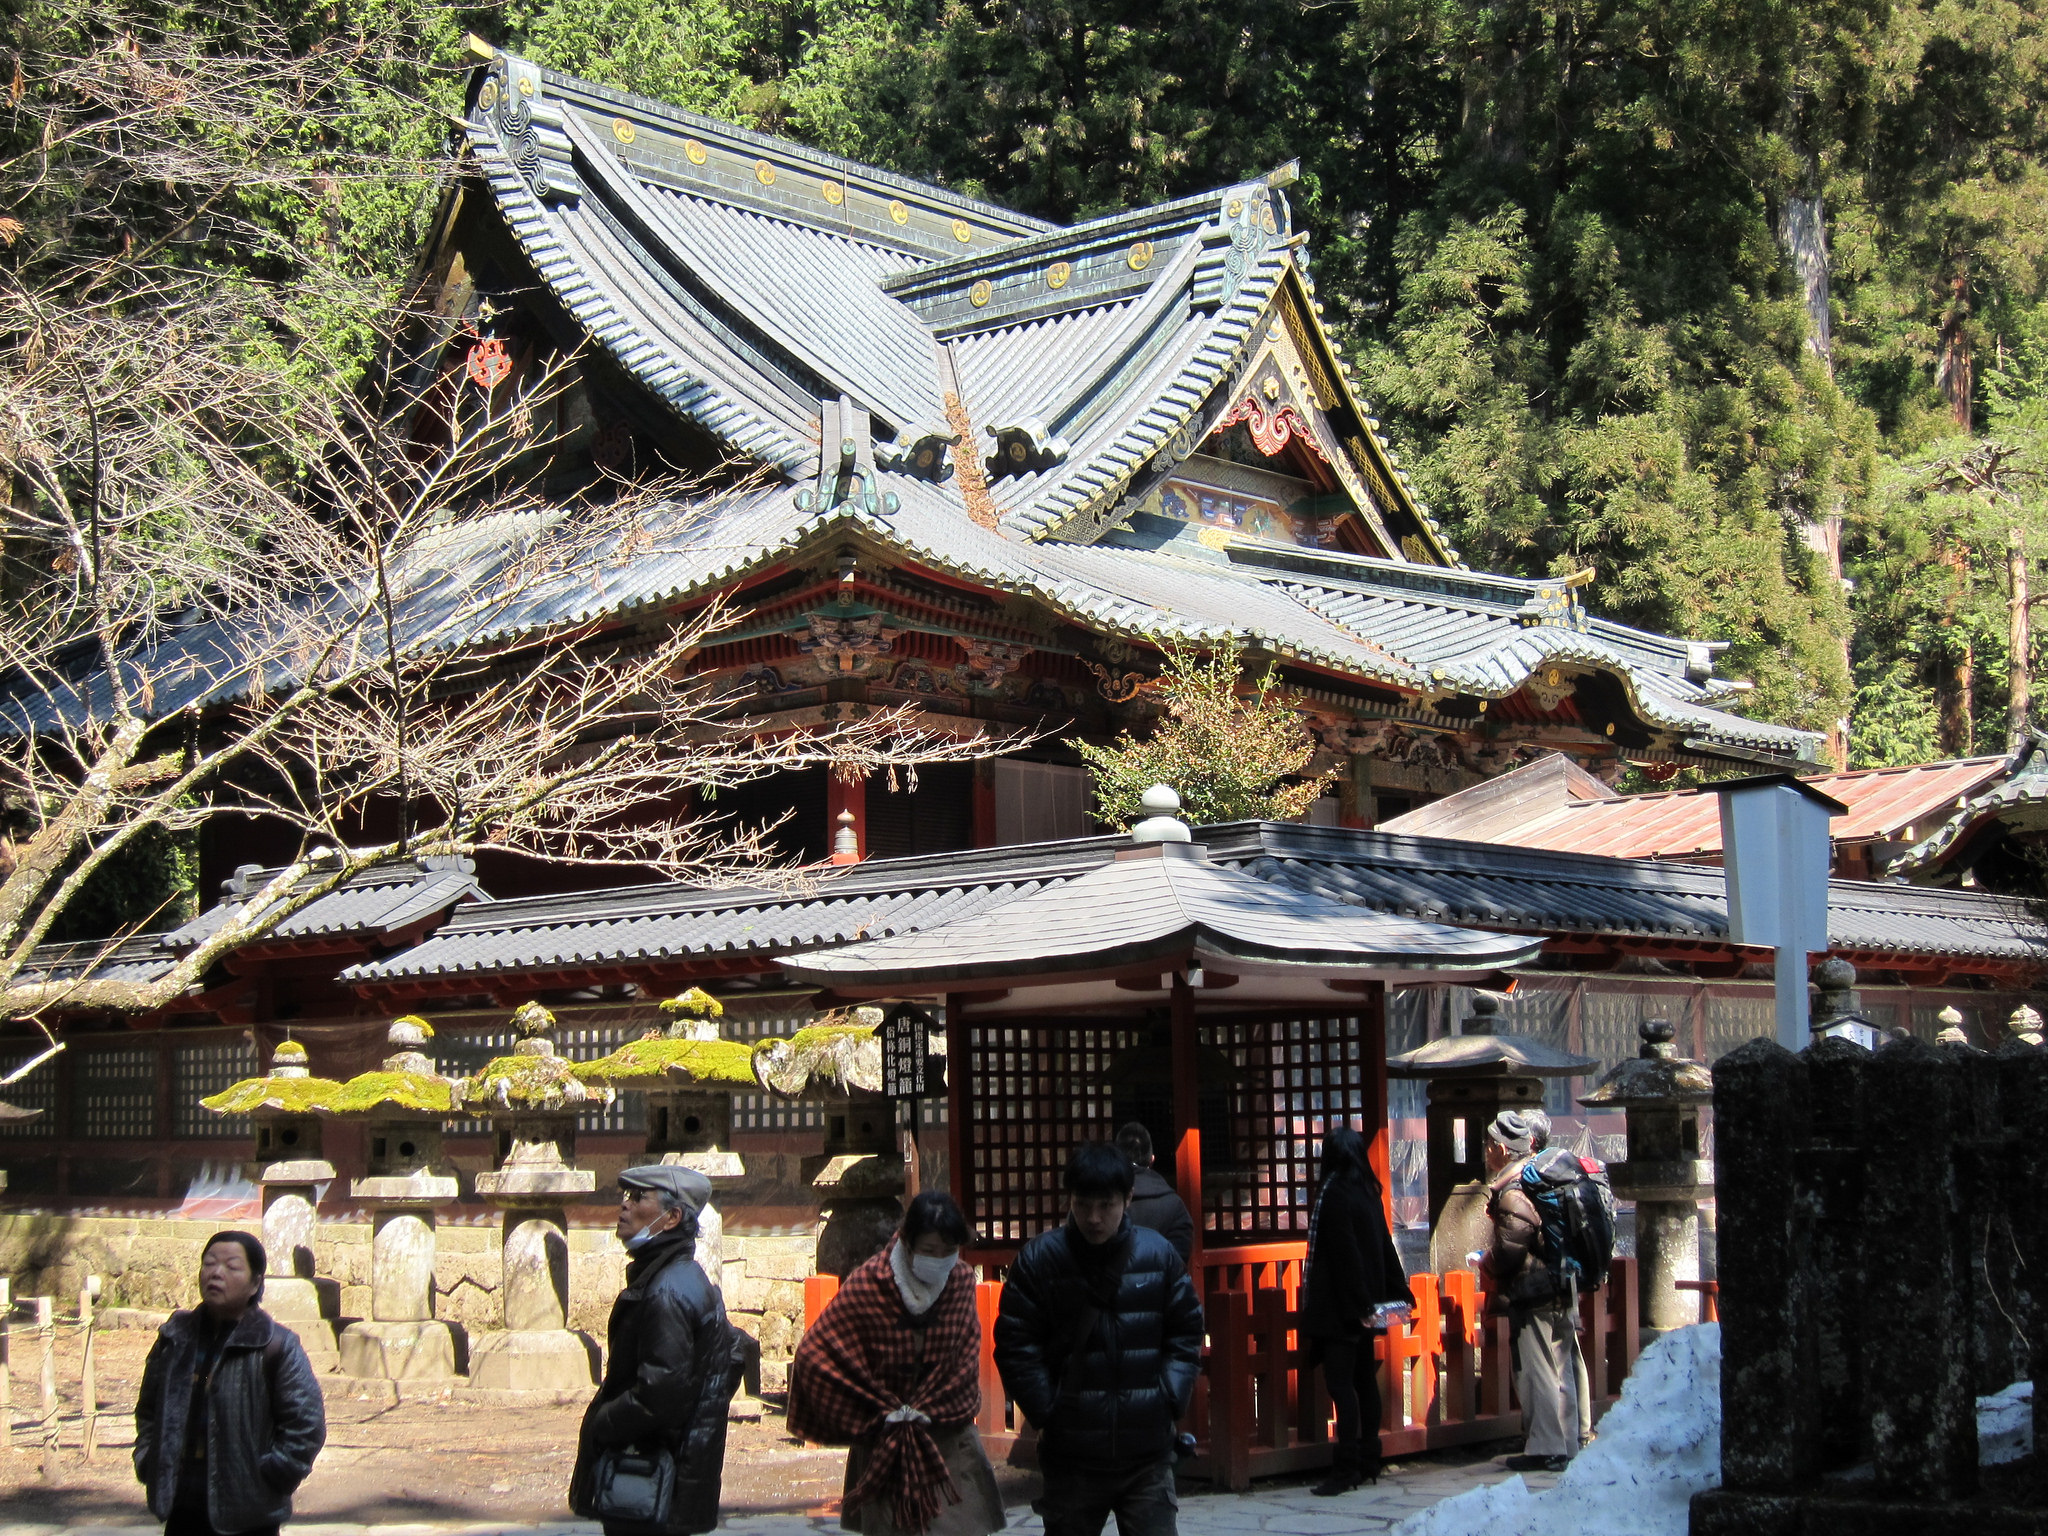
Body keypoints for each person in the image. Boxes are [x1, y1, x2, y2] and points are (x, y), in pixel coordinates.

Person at [994, 1142, 1204, 1536]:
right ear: (1069, 1199)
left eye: (1105, 1206)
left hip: (1147, 1450)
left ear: (1127, 1199)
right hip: (1072, 1451)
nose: (1093, 1218)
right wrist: (1046, 1410)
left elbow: (1186, 1329)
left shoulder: (1157, 1256)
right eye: (1083, 1204)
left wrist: (1169, 1396)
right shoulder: (1040, 1260)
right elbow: (1015, 1343)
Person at [788, 1191, 1005, 1536]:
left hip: (948, 1439)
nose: (940, 1260)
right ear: (907, 1241)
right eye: (930, 1251)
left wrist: (932, 1406)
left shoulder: (961, 1282)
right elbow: (816, 1353)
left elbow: (965, 1360)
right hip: (885, 1442)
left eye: (948, 1252)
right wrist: (873, 1412)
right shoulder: (870, 1282)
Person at [571, 1165, 741, 1536]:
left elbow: (659, 1395)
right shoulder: (676, 1277)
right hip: (667, 1476)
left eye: (638, 1198)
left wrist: (603, 1422)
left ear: (672, 1217)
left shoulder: (668, 1290)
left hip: (652, 1476)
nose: (624, 1206)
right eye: (625, 1196)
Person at [134, 1230, 327, 1536]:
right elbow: (148, 1410)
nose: (216, 1273)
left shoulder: (276, 1345)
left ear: (255, 1283)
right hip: (181, 1502)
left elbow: (306, 1426)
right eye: (209, 1264)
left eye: (232, 1266)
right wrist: (149, 1459)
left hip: (249, 1512)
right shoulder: (176, 1337)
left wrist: (269, 1477)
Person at [1299, 1125, 1408, 1495]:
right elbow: (1384, 1243)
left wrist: (1357, 1300)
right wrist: (1397, 1289)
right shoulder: (1368, 1192)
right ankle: (1368, 1457)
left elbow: (1343, 1253)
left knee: (1341, 1384)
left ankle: (1345, 1467)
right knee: (1364, 1381)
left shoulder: (1332, 1194)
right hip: (1366, 1303)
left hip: (1341, 1306)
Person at [1479, 1109, 1580, 1473]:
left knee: (1536, 1369)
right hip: (1561, 1281)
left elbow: (1511, 1247)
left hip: (1533, 1289)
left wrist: (1486, 1264)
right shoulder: (1540, 1181)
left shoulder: (1514, 1191)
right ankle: (1567, 1442)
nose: (1486, 1151)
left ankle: (1545, 1447)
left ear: (1504, 1149)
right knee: (1560, 1365)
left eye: (1489, 1144)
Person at [1114, 1123, 1194, 1263]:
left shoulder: (1098, 1201)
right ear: (1152, 1160)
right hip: (1158, 1282)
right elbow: (1179, 1261)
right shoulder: (1174, 1205)